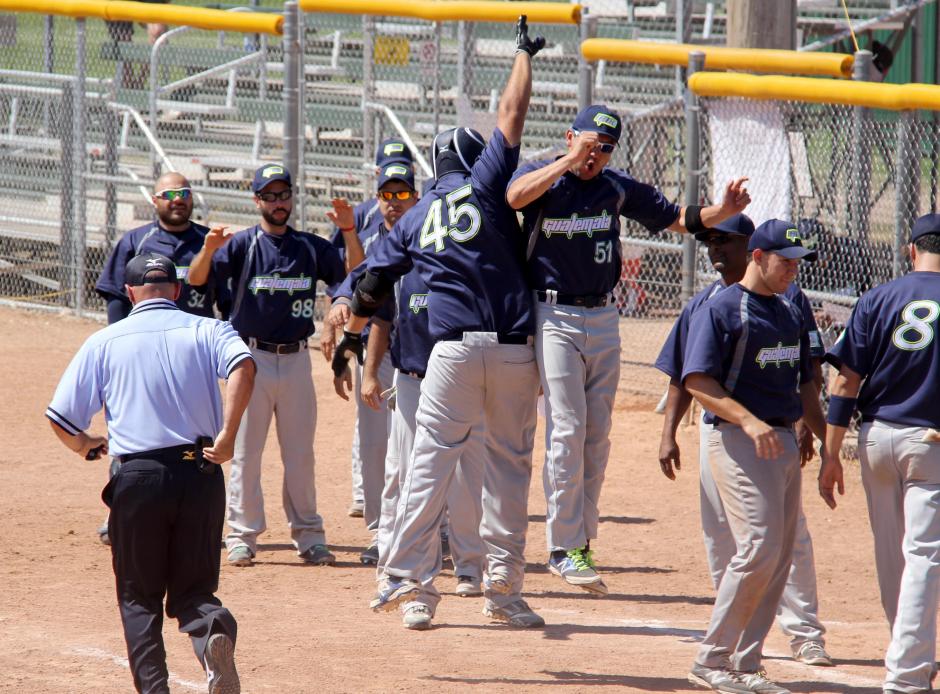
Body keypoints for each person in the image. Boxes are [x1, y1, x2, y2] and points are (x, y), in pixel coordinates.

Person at [332, 16, 546, 629]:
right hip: (510, 352)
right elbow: (511, 111)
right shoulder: (488, 188)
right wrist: (523, 54)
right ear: (477, 163)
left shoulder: (417, 211)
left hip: (448, 357)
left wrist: (351, 338)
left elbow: (371, 283)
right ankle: (502, 592)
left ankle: (409, 583)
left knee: (427, 467)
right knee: (508, 472)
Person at [505, 104, 750, 595]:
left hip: (603, 315)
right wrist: (567, 160)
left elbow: (679, 218)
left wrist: (724, 209)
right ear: (571, 135)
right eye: (590, 143)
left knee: (597, 436)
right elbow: (514, 197)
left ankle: (580, 543)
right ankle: (563, 546)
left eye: (604, 148)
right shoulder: (543, 174)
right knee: (568, 429)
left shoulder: (614, 187)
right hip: (552, 314)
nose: (595, 155)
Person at [46, 252, 255, 694]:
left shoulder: (106, 339)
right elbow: (243, 366)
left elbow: (61, 418)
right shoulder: (206, 328)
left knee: (139, 598)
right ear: (176, 291)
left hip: (137, 477)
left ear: (130, 293)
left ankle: (155, 690)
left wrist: (86, 446)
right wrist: (229, 434)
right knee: (195, 591)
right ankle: (211, 633)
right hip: (200, 469)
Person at [654, 214, 833, 667]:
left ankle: (747, 660)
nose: (794, 269)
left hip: (783, 443)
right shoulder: (720, 308)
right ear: (758, 256)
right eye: (786, 261)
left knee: (776, 557)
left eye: (798, 262)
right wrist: (748, 421)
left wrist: (828, 445)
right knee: (758, 547)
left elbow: (807, 386)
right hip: (735, 440)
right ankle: (713, 657)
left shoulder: (791, 310)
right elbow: (695, 379)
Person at [187, 163, 363, 567]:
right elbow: (197, 281)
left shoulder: (309, 245)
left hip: (297, 358)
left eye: (284, 194)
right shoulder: (243, 244)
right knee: (246, 451)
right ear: (257, 201)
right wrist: (209, 249)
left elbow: (352, 273)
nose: (278, 202)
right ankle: (242, 535)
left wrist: (349, 233)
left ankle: (309, 536)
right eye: (270, 195)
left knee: (300, 454)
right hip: (249, 359)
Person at [332, 231, 488, 630]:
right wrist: (369, 374)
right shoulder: (400, 274)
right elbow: (381, 324)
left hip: (458, 384)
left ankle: (470, 567)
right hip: (412, 381)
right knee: (400, 478)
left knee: (464, 481)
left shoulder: (460, 268)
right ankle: (392, 565)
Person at [820, 213, 940, 694]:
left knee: (892, 555)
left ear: (911, 251)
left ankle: (907, 652)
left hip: (874, 439)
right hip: (929, 443)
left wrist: (831, 454)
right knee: (924, 555)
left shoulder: (877, 297)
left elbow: (845, 380)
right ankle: (908, 674)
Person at [93, 171, 227, 545]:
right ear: (155, 200)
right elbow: (117, 300)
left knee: (196, 434)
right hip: (140, 354)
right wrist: (118, 353)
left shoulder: (208, 242)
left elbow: (224, 301)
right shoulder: (136, 241)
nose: (178, 199)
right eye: (169, 194)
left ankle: (198, 515)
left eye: (184, 193)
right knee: (133, 432)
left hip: (191, 357)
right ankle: (120, 511)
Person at [322, 138, 416, 520]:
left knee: (414, 439)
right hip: (376, 345)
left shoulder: (427, 222)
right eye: (386, 192)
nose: (393, 199)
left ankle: (426, 523)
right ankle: (378, 518)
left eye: (403, 191)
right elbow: (351, 278)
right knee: (374, 435)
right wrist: (340, 311)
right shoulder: (363, 218)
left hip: (418, 349)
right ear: (376, 190)